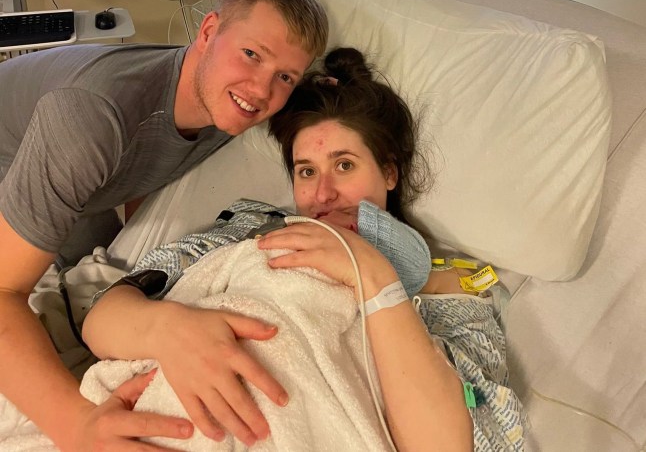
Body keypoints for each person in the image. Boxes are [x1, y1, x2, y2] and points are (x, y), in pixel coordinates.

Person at [83, 48, 525, 451]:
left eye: (345, 165)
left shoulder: (445, 290)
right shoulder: (248, 229)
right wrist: (170, 330)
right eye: (306, 171)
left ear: (389, 172)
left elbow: (453, 444)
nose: (324, 193)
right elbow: (105, 316)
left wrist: (372, 276)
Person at [0, 0, 328, 451]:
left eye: (284, 77)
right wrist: (77, 426)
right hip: (15, 159)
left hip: (66, 173)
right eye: (251, 54)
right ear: (209, 31)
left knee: (76, 302)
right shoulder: (91, 123)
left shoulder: (228, 102)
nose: (260, 90)